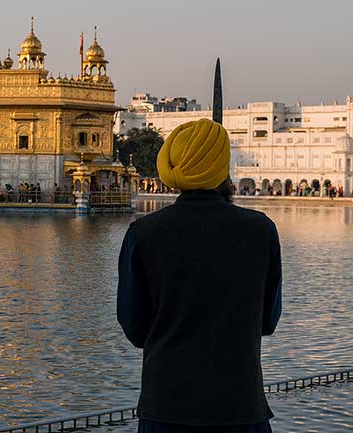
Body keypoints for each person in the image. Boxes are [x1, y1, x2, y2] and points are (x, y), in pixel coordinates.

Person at [117, 118, 282, 433]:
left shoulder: (143, 234)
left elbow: (134, 327)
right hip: (239, 407)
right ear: (222, 168)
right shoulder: (261, 231)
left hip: (166, 406)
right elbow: (267, 322)